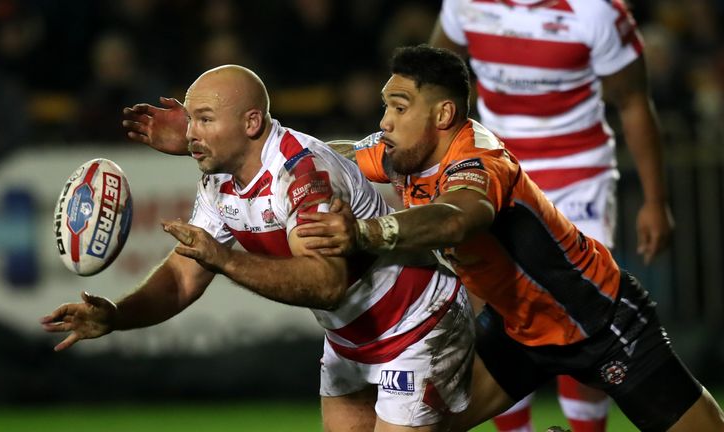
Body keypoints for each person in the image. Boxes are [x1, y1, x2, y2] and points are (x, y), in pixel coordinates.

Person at [296, 45, 724, 431]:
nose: (384, 122)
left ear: (443, 115)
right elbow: (337, 156)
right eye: (386, 106)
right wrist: (280, 163)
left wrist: (367, 231)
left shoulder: (480, 159)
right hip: (515, 330)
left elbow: (456, 219)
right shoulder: (402, 151)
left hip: (598, 319)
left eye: (399, 107)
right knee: (419, 424)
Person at [40, 64, 475, 431]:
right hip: (350, 339)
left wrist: (225, 259)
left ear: (251, 123)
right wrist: (116, 316)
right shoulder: (219, 181)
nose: (191, 133)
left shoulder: (303, 175)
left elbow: (326, 283)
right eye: (191, 119)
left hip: (418, 323)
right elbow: (180, 279)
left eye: (205, 119)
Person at [428, 1, 675, 430]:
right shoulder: (466, 4)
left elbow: (634, 100)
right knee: (497, 320)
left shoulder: (596, 11)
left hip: (577, 177)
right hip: (496, 171)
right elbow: (433, 83)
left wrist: (656, 201)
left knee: (586, 318)